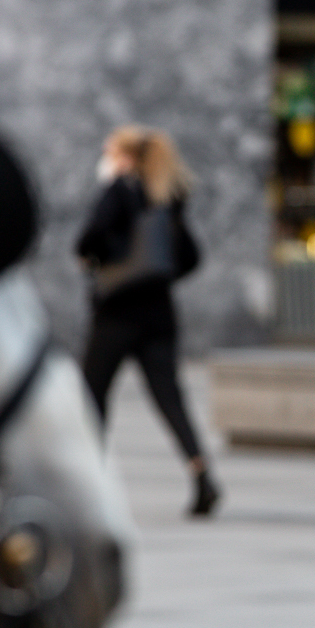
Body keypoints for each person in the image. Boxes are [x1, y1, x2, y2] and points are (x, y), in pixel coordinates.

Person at [75, 125, 219, 517]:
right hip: (159, 312)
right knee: (169, 396)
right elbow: (189, 256)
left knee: (91, 395)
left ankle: (92, 483)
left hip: (116, 313)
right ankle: (201, 470)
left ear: (126, 157)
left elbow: (88, 238)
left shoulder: (119, 190)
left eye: (110, 151)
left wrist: (104, 261)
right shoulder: (167, 196)